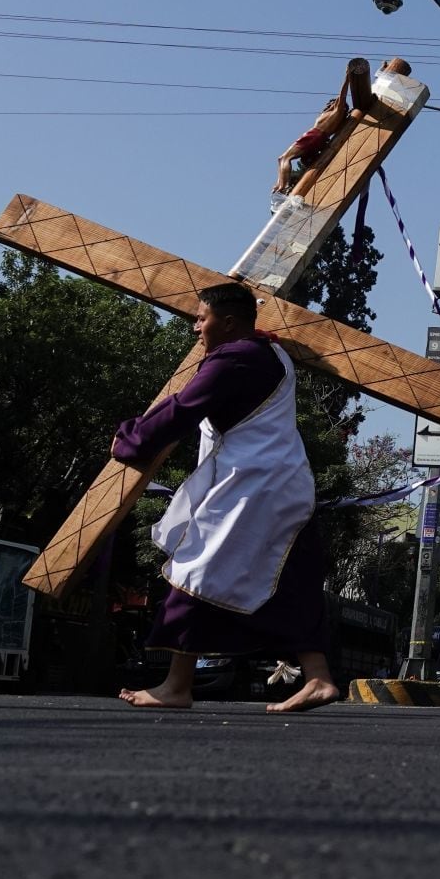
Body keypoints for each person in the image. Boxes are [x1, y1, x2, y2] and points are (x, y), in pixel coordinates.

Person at [112, 282, 337, 714]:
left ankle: (177, 686)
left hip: (251, 489)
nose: (196, 327)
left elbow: (182, 410)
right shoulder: (274, 355)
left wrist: (129, 440)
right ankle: (319, 677)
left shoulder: (236, 359)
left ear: (229, 322)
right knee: (293, 581)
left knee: (192, 571)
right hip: (286, 484)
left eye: (202, 318)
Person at [273, 58, 375, 196]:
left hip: (315, 136)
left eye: (331, 103)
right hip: (316, 137)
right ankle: (280, 185)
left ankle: (283, 187)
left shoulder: (336, 112)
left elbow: (342, 97)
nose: (327, 105)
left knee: (284, 158)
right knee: (282, 159)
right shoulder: (332, 114)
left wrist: (347, 77)